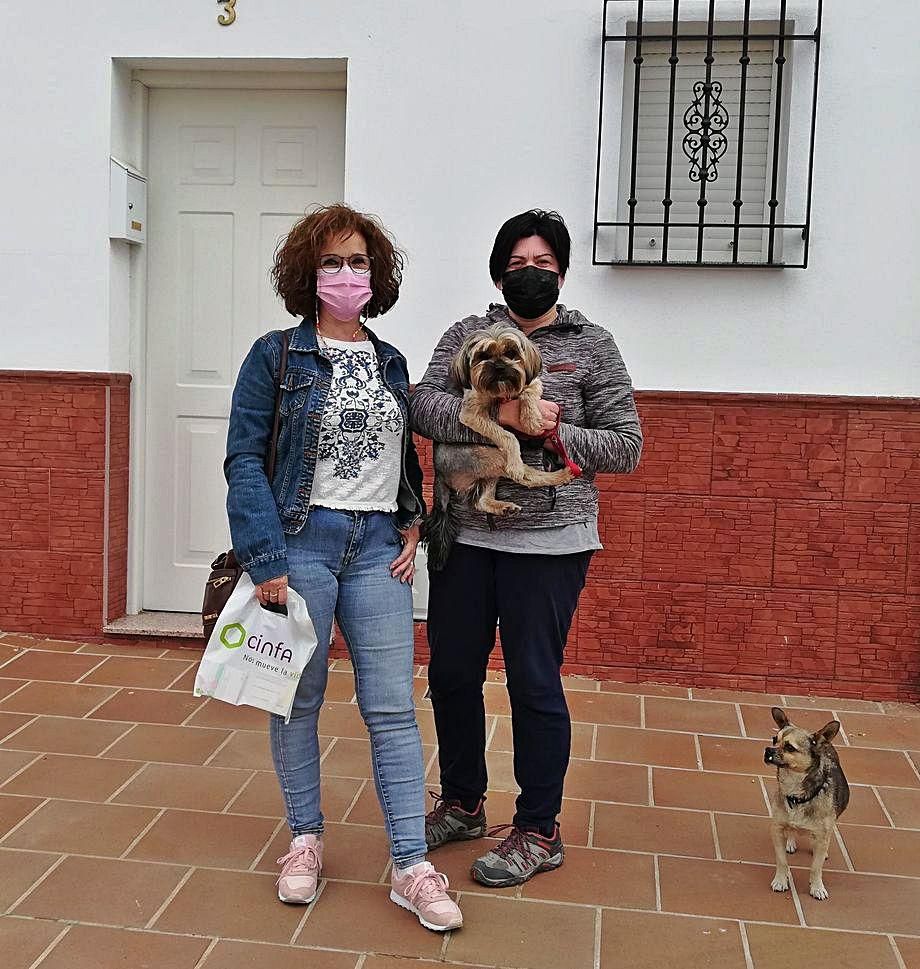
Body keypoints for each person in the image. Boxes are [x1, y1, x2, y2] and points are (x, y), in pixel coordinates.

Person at [224, 204, 462, 932]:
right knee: (298, 699)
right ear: (308, 274)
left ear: (377, 275)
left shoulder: (390, 361)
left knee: (390, 705)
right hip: (303, 544)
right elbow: (243, 458)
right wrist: (265, 555)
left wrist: (414, 517)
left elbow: (401, 452)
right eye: (333, 262)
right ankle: (305, 839)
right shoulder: (276, 356)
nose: (347, 274)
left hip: (376, 552)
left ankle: (412, 865)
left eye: (359, 262)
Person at [411, 209, 642, 887]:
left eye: (543, 265)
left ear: (562, 273)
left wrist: (553, 432)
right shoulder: (466, 336)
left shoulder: (592, 346)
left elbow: (628, 444)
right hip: (465, 530)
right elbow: (420, 403)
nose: (530, 274)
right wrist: (501, 416)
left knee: (532, 681)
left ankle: (538, 829)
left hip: (550, 540)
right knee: (452, 672)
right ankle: (462, 802)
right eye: (518, 263)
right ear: (498, 270)